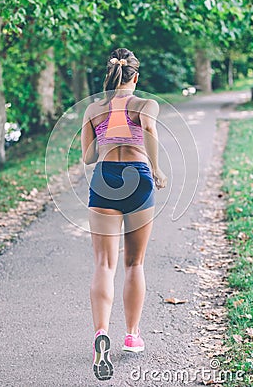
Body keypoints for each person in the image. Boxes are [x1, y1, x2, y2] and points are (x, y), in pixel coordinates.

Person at [81, 48, 167, 381]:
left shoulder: (93, 109)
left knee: (104, 264)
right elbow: (150, 133)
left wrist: (103, 135)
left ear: (111, 75)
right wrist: (157, 170)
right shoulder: (147, 105)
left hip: (105, 178)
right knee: (135, 262)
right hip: (138, 177)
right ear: (136, 76)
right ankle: (132, 335)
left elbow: (88, 157)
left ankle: (101, 332)